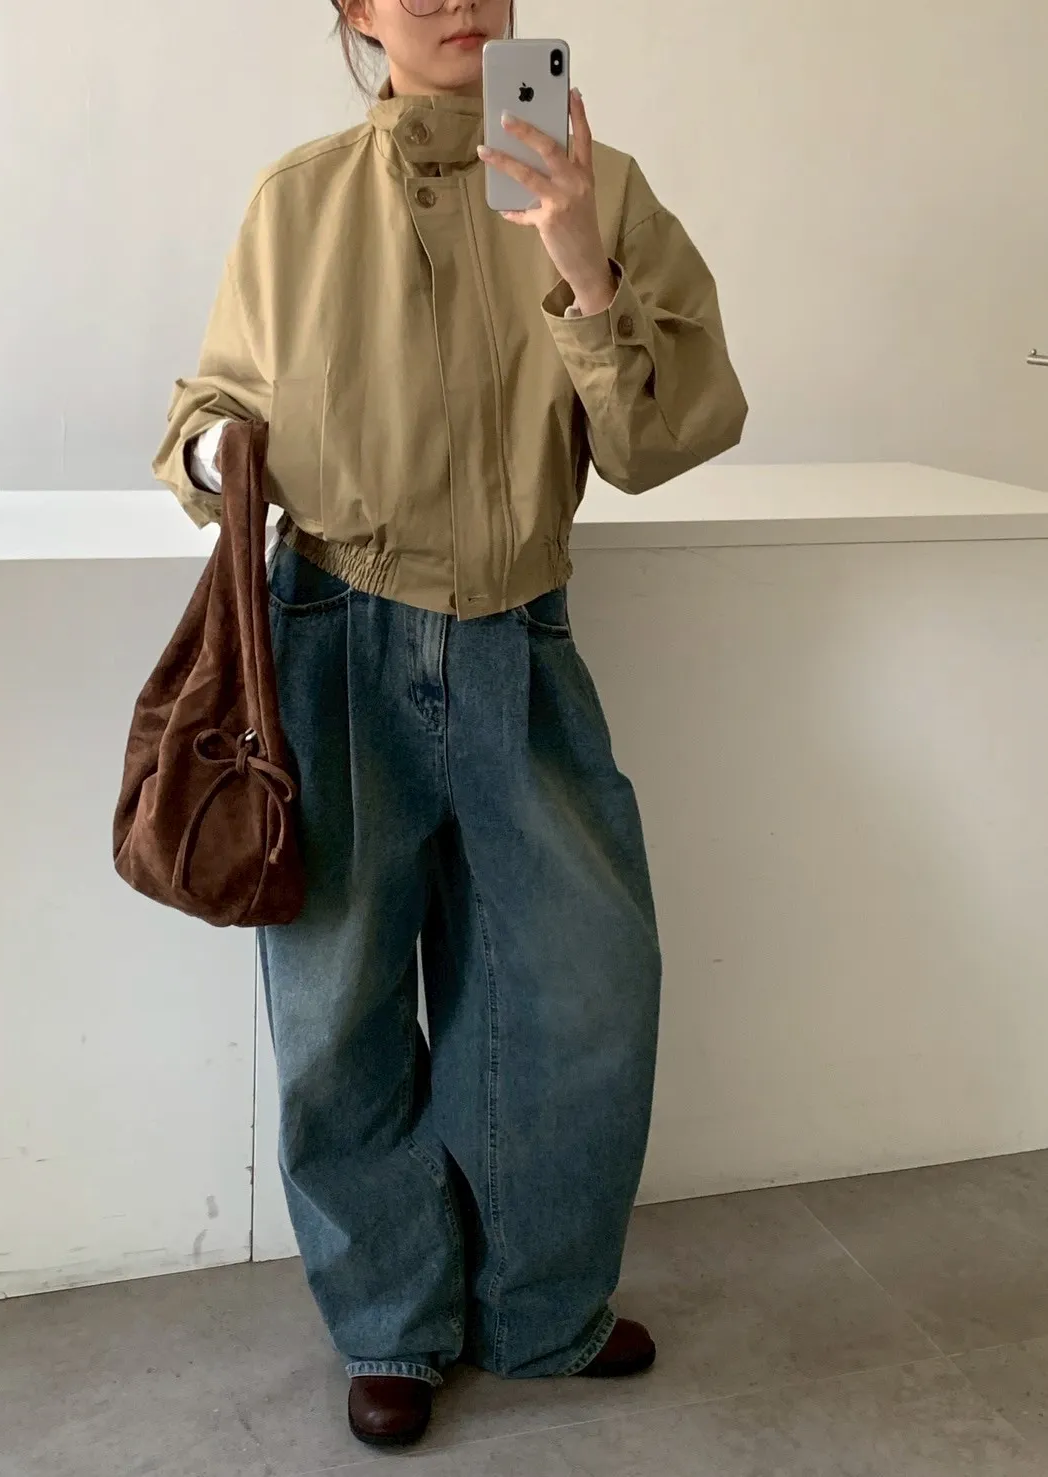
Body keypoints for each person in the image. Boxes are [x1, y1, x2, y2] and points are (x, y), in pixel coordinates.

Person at [154, 0, 747, 1450]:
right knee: (339, 1014)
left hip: (521, 641)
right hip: (334, 640)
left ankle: (540, 1309)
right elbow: (207, 409)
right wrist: (221, 452)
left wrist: (582, 262)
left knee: (578, 997)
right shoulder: (297, 201)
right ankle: (393, 1324)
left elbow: (669, 437)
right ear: (357, 14)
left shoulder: (600, 186)